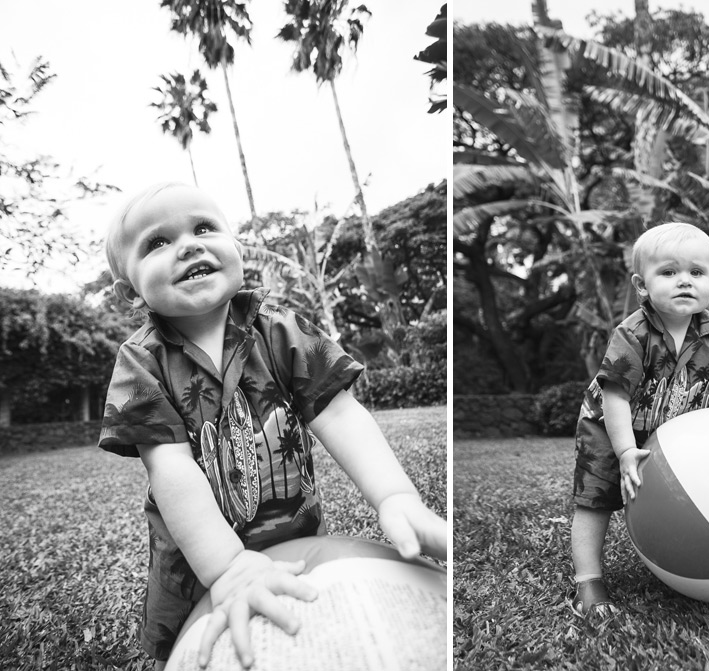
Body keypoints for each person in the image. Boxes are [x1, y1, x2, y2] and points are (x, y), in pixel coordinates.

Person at [98, 182, 447, 670]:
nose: (189, 245)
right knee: (201, 650)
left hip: (299, 537)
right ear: (128, 291)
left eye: (204, 227)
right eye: (157, 242)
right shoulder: (142, 361)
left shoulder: (280, 328)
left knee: (315, 639)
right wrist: (229, 569)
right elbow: (171, 470)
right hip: (199, 565)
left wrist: (395, 496)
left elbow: (340, 413)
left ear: (235, 247)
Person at [569, 222, 709, 619]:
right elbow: (615, 395)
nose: (684, 281)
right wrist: (624, 451)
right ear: (642, 285)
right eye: (668, 272)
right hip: (608, 427)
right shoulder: (633, 333)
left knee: (684, 494)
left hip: (670, 434)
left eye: (696, 272)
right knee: (595, 501)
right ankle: (588, 581)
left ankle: (688, 553)